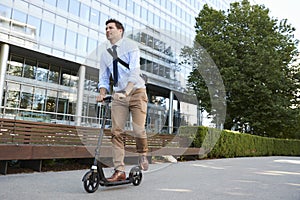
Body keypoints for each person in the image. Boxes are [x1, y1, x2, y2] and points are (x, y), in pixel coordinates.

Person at [96, 19, 149, 182]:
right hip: (118, 95)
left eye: (110, 27)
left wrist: (127, 91)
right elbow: (104, 77)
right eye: (106, 28)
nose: (107, 30)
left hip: (136, 92)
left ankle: (142, 155)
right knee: (116, 132)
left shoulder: (131, 47)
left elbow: (134, 71)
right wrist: (102, 92)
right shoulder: (105, 54)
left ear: (120, 31)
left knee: (138, 129)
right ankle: (119, 170)